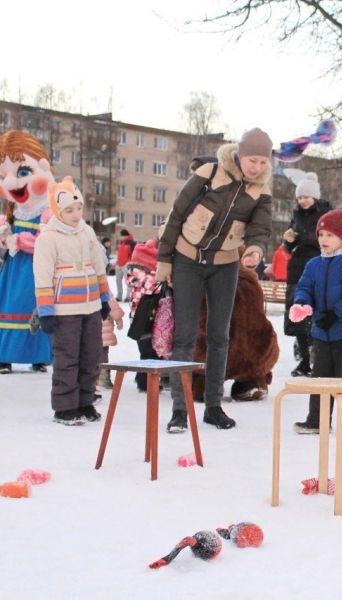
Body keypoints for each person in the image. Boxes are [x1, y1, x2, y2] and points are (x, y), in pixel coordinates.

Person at [156, 130, 273, 433]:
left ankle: (213, 406)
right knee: (185, 335)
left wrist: (256, 250)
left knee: (220, 335)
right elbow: (177, 215)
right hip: (186, 260)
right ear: (240, 154)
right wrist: (164, 260)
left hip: (224, 265)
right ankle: (179, 410)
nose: (256, 167)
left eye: (262, 162)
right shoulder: (210, 173)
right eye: (252, 160)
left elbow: (260, 229)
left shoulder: (261, 192)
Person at [33, 177, 111, 425]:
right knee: (67, 357)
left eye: (78, 208)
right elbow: (42, 277)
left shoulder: (87, 232)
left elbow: (99, 267)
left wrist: (104, 298)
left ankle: (85, 401)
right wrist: (46, 311)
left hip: (90, 306)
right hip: (64, 308)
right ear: (57, 211)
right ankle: (65, 406)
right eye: (69, 210)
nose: (76, 214)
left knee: (91, 355)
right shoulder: (48, 237)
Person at [289, 209, 342, 439]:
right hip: (321, 332)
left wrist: (336, 314)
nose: (324, 240)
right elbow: (304, 287)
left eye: (330, 235)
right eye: (321, 234)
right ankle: (317, 420)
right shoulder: (314, 264)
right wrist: (302, 304)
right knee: (320, 377)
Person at [0, 130, 53, 374]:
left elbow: (48, 242)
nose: (11, 182)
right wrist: (3, 237)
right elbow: (1, 241)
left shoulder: (48, 211)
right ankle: (2, 354)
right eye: (3, 176)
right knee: (8, 305)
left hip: (37, 272)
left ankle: (38, 355)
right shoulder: (14, 212)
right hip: (13, 271)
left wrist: (21, 241)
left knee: (33, 307)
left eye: (23, 173)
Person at [282, 172, 330, 377]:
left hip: (317, 266)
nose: (303, 201)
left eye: (306, 197)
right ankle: (304, 359)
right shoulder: (296, 215)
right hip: (297, 268)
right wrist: (289, 240)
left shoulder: (325, 214)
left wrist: (301, 237)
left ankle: (317, 358)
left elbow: (324, 239)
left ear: (315, 197)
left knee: (315, 314)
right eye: (300, 197)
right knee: (297, 314)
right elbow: (288, 247)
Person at [125, 234, 161, 392]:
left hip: (151, 317)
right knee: (147, 351)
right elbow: (152, 286)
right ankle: (144, 382)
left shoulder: (142, 273)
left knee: (153, 351)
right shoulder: (137, 274)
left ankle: (148, 379)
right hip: (142, 319)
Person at [97, 297, 125, 389]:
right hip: (103, 325)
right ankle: (103, 378)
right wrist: (118, 318)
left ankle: (98, 377)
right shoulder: (103, 288)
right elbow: (111, 303)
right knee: (102, 355)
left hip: (94, 326)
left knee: (93, 354)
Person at [115, 229, 135, 301]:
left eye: (121, 236)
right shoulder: (121, 243)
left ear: (125, 236)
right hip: (119, 264)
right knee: (118, 280)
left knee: (128, 281)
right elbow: (119, 253)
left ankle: (128, 297)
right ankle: (119, 296)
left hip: (127, 265)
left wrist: (130, 262)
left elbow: (134, 254)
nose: (120, 237)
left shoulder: (131, 243)